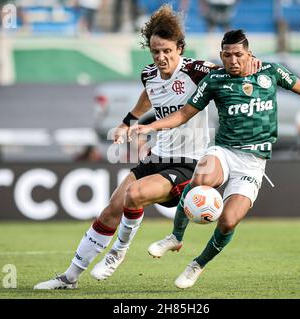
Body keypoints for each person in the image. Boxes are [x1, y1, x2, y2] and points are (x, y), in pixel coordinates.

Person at [34, 5, 261, 289]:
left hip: (188, 163)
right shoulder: (149, 74)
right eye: (155, 51)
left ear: (180, 47)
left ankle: (118, 252)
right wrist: (127, 121)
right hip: (156, 157)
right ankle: (69, 277)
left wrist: (254, 64)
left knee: (136, 193)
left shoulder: (197, 71)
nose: (161, 57)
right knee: (110, 211)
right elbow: (148, 95)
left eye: (167, 50)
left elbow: (230, 70)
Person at [132, 29, 300, 289]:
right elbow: (183, 114)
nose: (232, 60)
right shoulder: (214, 80)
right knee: (202, 177)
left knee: (229, 221)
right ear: (221, 55)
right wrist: (150, 127)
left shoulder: (270, 72)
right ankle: (175, 236)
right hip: (225, 150)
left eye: (238, 55)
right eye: (227, 55)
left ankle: (197, 264)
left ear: (249, 54)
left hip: (253, 163)